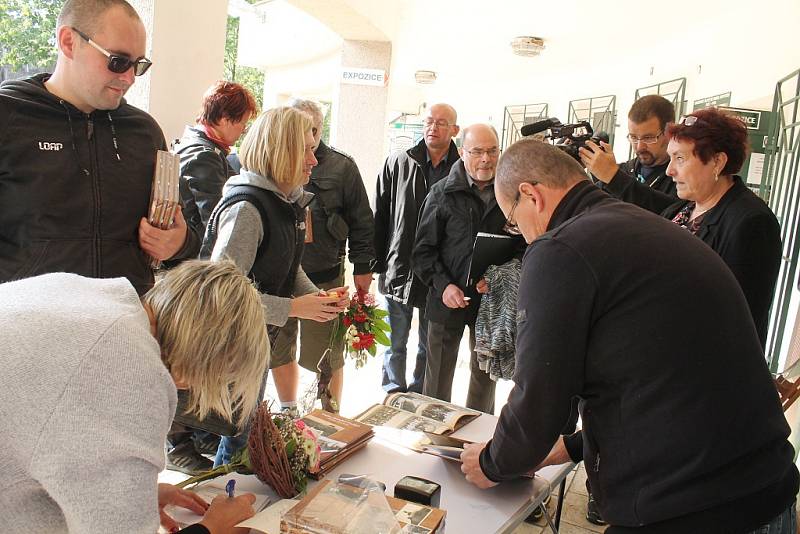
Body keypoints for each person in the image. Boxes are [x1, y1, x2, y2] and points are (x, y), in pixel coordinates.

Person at [459, 139, 798, 533]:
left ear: (530, 195)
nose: (522, 235)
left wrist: (493, 464)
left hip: (689, 507)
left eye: (513, 221)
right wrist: (571, 446)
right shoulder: (644, 226)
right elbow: (664, 376)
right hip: (764, 492)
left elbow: (540, 393)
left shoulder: (561, 249)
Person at [0, 260, 268, 533]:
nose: (192, 388)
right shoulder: (129, 367)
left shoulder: (99, 300)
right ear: (208, 356)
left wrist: (128, 495)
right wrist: (213, 528)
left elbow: (48, 430)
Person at [0, 0, 199, 295]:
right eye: (118, 61)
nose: (129, 77)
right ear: (69, 42)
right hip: (26, 331)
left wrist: (178, 243)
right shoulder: (9, 116)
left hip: (126, 330)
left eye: (139, 64)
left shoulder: (144, 132)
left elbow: (193, 232)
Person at [202, 106, 349, 465]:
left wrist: (316, 297)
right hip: (232, 352)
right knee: (237, 443)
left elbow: (287, 264)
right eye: (306, 150)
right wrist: (295, 308)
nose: (314, 160)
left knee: (244, 437)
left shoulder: (286, 202)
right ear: (280, 151)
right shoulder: (249, 209)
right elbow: (222, 296)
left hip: (255, 346)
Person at [590, 107, 781, 348]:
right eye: (671, 158)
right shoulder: (682, 210)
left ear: (717, 162)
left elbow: (737, 316)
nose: (670, 170)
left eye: (680, 158)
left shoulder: (751, 221)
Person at [259, 98, 375, 412]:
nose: (309, 153)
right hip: (280, 284)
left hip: (324, 275)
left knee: (326, 355)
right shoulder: (266, 180)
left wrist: (363, 268)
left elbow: (363, 221)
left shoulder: (342, 166)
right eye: (301, 135)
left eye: (312, 133)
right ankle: (289, 410)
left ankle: (329, 414)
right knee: (279, 352)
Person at [413, 124, 522, 413]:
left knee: (485, 378)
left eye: (492, 151)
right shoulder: (441, 194)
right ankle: (434, 435)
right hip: (445, 299)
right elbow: (422, 253)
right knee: (436, 380)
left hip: (491, 302)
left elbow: (525, 246)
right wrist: (443, 285)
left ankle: (477, 443)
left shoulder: (512, 193)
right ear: (462, 153)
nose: (486, 159)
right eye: (477, 152)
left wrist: (500, 276)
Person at [374, 103, 461, 394]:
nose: (433, 128)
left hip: (437, 273)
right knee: (394, 343)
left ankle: (421, 395)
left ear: (454, 130)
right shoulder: (399, 162)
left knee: (429, 344)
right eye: (429, 122)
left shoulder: (461, 170)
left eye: (441, 123)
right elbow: (381, 216)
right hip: (398, 266)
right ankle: (393, 393)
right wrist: (377, 266)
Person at [175, 80, 257, 233]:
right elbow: (217, 223)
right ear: (225, 120)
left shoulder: (190, 144)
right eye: (243, 125)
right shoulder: (205, 157)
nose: (243, 132)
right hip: (196, 255)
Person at [581, 94, 678, 213]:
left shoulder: (681, 178)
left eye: (648, 138)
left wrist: (615, 178)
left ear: (670, 132)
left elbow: (671, 212)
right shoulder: (624, 170)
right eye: (633, 137)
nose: (639, 147)